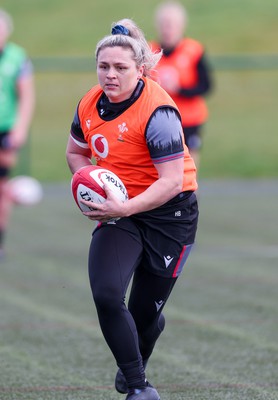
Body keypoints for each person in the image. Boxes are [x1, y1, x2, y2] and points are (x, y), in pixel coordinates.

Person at [66, 18, 198, 400]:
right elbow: (76, 152)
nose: (110, 75)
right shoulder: (89, 103)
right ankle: (139, 387)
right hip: (119, 213)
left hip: (171, 216)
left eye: (120, 67)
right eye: (103, 66)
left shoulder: (158, 113)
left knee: (142, 318)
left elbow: (171, 181)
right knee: (107, 294)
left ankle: (147, 333)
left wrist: (121, 203)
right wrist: (90, 184)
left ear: (139, 70)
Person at [150, 1, 212, 168]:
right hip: (158, 119)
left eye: (172, 24)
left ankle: (191, 193)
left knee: (188, 164)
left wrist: (179, 89)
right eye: (164, 24)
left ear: (182, 25)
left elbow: (206, 86)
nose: (168, 28)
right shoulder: (149, 52)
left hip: (189, 119)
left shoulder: (194, 51)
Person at [0, 9, 35, 256]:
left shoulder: (17, 58)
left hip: (5, 132)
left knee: (1, 188)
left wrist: (20, 129)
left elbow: (26, 97)